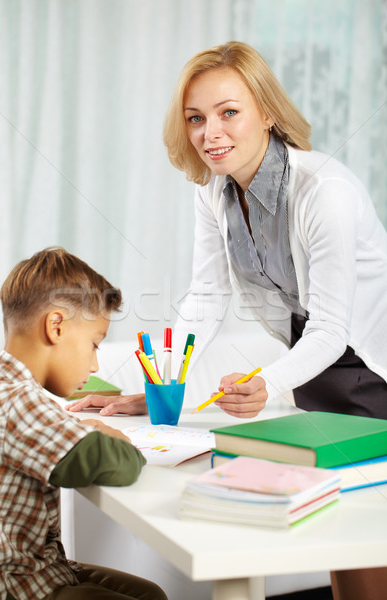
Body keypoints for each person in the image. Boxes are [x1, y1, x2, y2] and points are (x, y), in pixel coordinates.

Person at [67, 41, 387, 599]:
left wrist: (267, 382)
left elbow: (334, 329)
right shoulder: (214, 190)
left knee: (371, 535)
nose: (209, 132)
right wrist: (162, 384)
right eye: (195, 118)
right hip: (313, 361)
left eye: (228, 112)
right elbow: (207, 298)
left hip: (370, 368)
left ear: (266, 112)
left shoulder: (324, 192)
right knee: (341, 532)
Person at [0, 247, 167, 600]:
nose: (96, 366)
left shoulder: (2, 386)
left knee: (151, 594)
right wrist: (111, 437)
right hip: (14, 585)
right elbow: (116, 465)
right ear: (56, 327)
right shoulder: (17, 402)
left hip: (40, 566)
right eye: (94, 344)